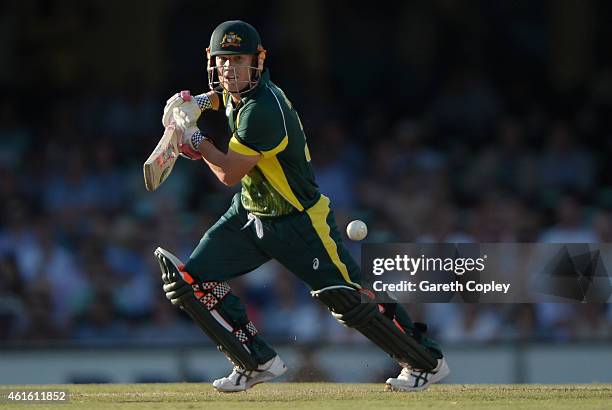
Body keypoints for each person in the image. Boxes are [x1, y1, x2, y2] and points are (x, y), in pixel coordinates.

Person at [155, 20, 449, 392]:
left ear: (256, 62)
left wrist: (194, 136)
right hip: (251, 214)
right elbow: (222, 96)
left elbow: (228, 172)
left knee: (348, 300)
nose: (229, 68)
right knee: (189, 282)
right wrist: (194, 102)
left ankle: (426, 361)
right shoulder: (238, 90)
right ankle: (255, 360)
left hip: (299, 222)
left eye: (239, 59)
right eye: (223, 59)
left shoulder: (263, 109)